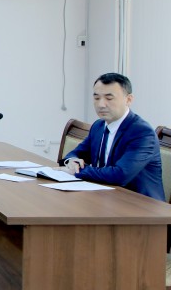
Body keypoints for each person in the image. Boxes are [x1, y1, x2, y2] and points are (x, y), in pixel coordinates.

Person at [61, 72, 164, 201]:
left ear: (128, 100)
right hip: (105, 197)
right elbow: (76, 153)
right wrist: (71, 161)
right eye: (96, 98)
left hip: (140, 205)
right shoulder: (98, 126)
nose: (101, 104)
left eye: (109, 98)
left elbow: (120, 175)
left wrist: (77, 171)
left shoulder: (142, 133)